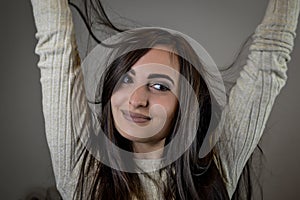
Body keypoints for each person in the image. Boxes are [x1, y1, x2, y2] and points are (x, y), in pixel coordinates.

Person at [30, 0, 300, 199]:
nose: (136, 100)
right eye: (126, 79)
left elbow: (270, 53)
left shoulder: (216, 170)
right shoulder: (82, 174)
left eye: (159, 86)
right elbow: (57, 47)